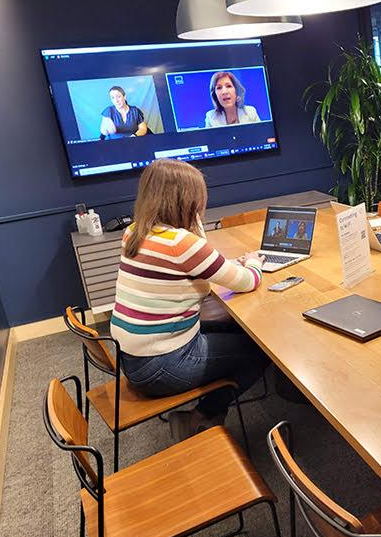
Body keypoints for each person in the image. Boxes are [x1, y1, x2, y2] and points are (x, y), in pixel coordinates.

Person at [110, 158, 268, 440]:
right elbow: (248, 282)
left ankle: (205, 416)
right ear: (188, 200)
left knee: (235, 328)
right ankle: (202, 418)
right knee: (261, 350)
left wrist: (228, 263)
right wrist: (254, 262)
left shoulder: (134, 232)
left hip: (133, 359)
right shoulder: (181, 243)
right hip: (163, 365)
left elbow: (193, 268)